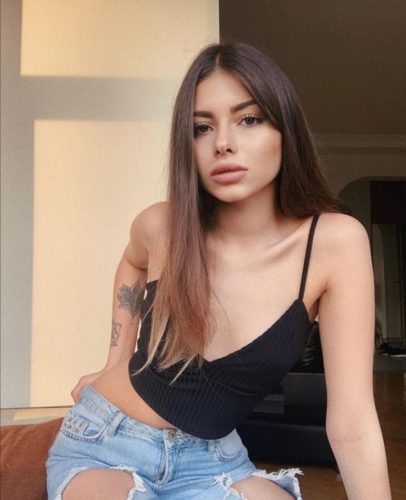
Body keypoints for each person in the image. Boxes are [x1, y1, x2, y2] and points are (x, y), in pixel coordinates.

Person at [46, 43, 391, 499]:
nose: (223, 142)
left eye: (249, 119)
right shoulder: (165, 226)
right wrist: (114, 360)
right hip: (105, 444)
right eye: (202, 127)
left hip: (214, 462)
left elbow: (353, 422)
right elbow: (132, 261)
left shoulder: (333, 244)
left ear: (284, 130)